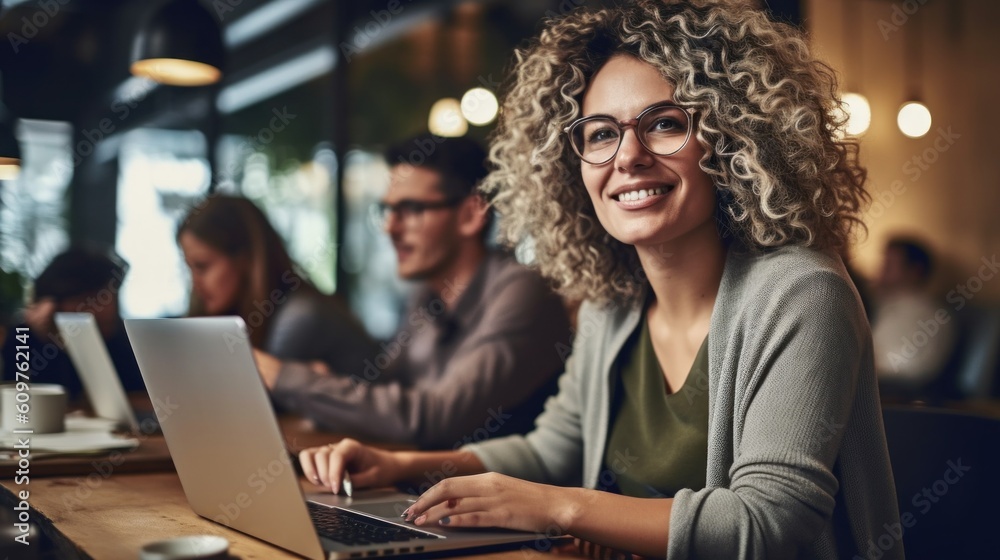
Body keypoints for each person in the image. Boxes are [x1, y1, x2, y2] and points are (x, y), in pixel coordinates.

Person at [298, 1, 902, 558]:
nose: (628, 156)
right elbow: (551, 450)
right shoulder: (610, 305)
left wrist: (562, 507)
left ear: (734, 140)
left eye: (665, 123)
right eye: (602, 133)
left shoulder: (800, 294)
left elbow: (770, 524)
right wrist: (402, 462)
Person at [253, 135, 572, 449]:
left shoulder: (523, 289)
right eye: (388, 210)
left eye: (411, 209)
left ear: (471, 215)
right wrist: (320, 382)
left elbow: (437, 418)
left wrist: (288, 379)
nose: (390, 228)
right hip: (427, 485)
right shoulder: (427, 293)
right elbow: (389, 386)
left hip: (503, 495)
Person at [177, 194, 375, 375]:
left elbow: (259, 402)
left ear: (244, 259)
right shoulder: (257, 313)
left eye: (202, 267)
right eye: (190, 269)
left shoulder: (300, 317)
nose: (195, 284)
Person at [0, 246, 144, 398]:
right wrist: (51, 342)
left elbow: (141, 397)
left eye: (109, 297)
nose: (105, 309)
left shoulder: (122, 339)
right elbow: (17, 400)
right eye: (89, 299)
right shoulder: (23, 337)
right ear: (53, 302)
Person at [871, 236, 956, 394]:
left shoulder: (930, 315)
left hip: (900, 399)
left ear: (915, 271)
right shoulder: (888, 305)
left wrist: (865, 369)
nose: (879, 271)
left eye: (889, 266)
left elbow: (916, 369)